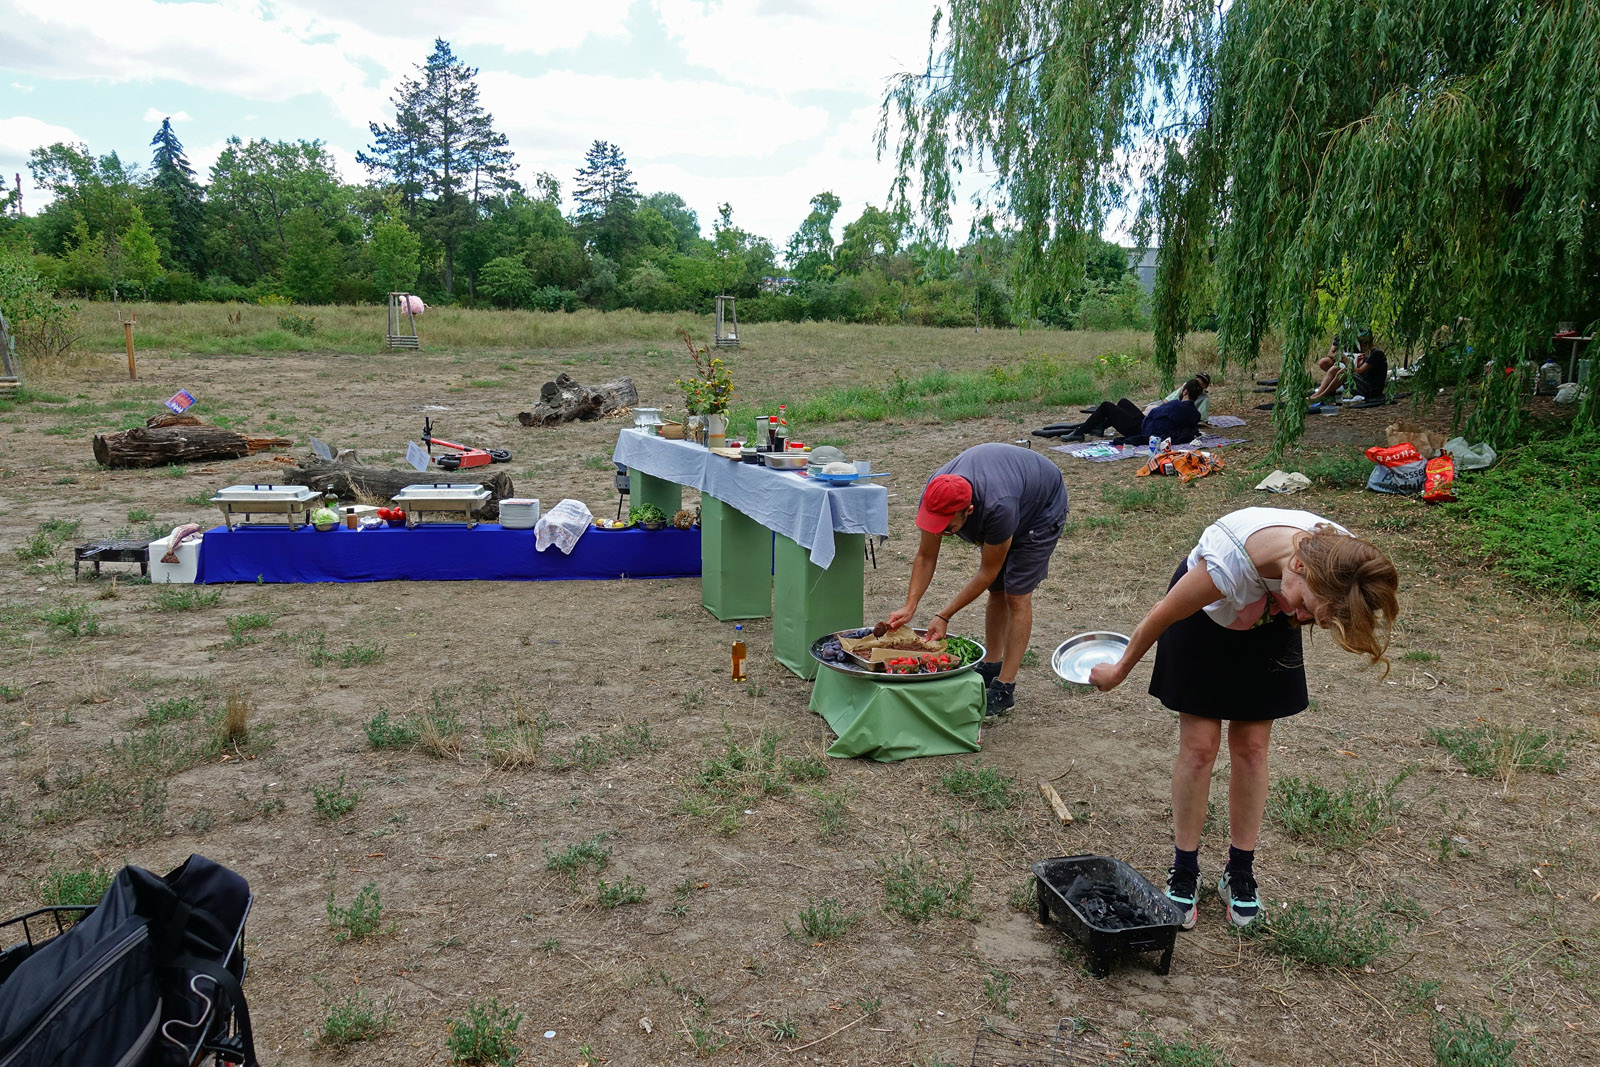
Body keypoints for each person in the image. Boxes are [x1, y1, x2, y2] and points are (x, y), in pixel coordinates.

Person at [1086, 507, 1398, 930]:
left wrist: (1305, 607)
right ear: (1298, 566)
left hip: (1266, 617)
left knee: (1251, 748)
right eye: (1308, 609)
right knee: (1199, 748)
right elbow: (1164, 613)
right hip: (1204, 620)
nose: (1303, 620)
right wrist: (1118, 670)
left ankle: (1240, 871)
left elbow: (1311, 605)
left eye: (1314, 618)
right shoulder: (1225, 565)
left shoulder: (1340, 560)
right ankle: (1184, 870)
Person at [889, 443, 1068, 716]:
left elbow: (988, 571)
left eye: (948, 528)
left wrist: (944, 615)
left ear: (968, 511)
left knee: (1016, 595)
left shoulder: (998, 507)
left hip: (1040, 507)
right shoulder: (935, 494)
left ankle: (1005, 688)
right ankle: (992, 665)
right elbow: (926, 555)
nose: (943, 532)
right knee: (996, 592)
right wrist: (910, 605)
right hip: (1008, 488)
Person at [1034, 372, 1212, 438]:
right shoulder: (1193, 412)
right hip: (1148, 425)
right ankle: (1097, 428)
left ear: (1185, 392)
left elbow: (1155, 414)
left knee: (1106, 406)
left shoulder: (1176, 406)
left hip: (1142, 429)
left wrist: (1151, 410)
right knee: (1123, 402)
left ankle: (1080, 433)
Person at [1309, 328, 1388, 402]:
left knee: (1344, 372)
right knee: (1334, 369)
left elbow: (1360, 371)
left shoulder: (1376, 354)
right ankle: (1317, 394)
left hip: (1371, 390)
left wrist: (1346, 360)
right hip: (1364, 384)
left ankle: (1322, 396)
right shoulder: (1368, 353)